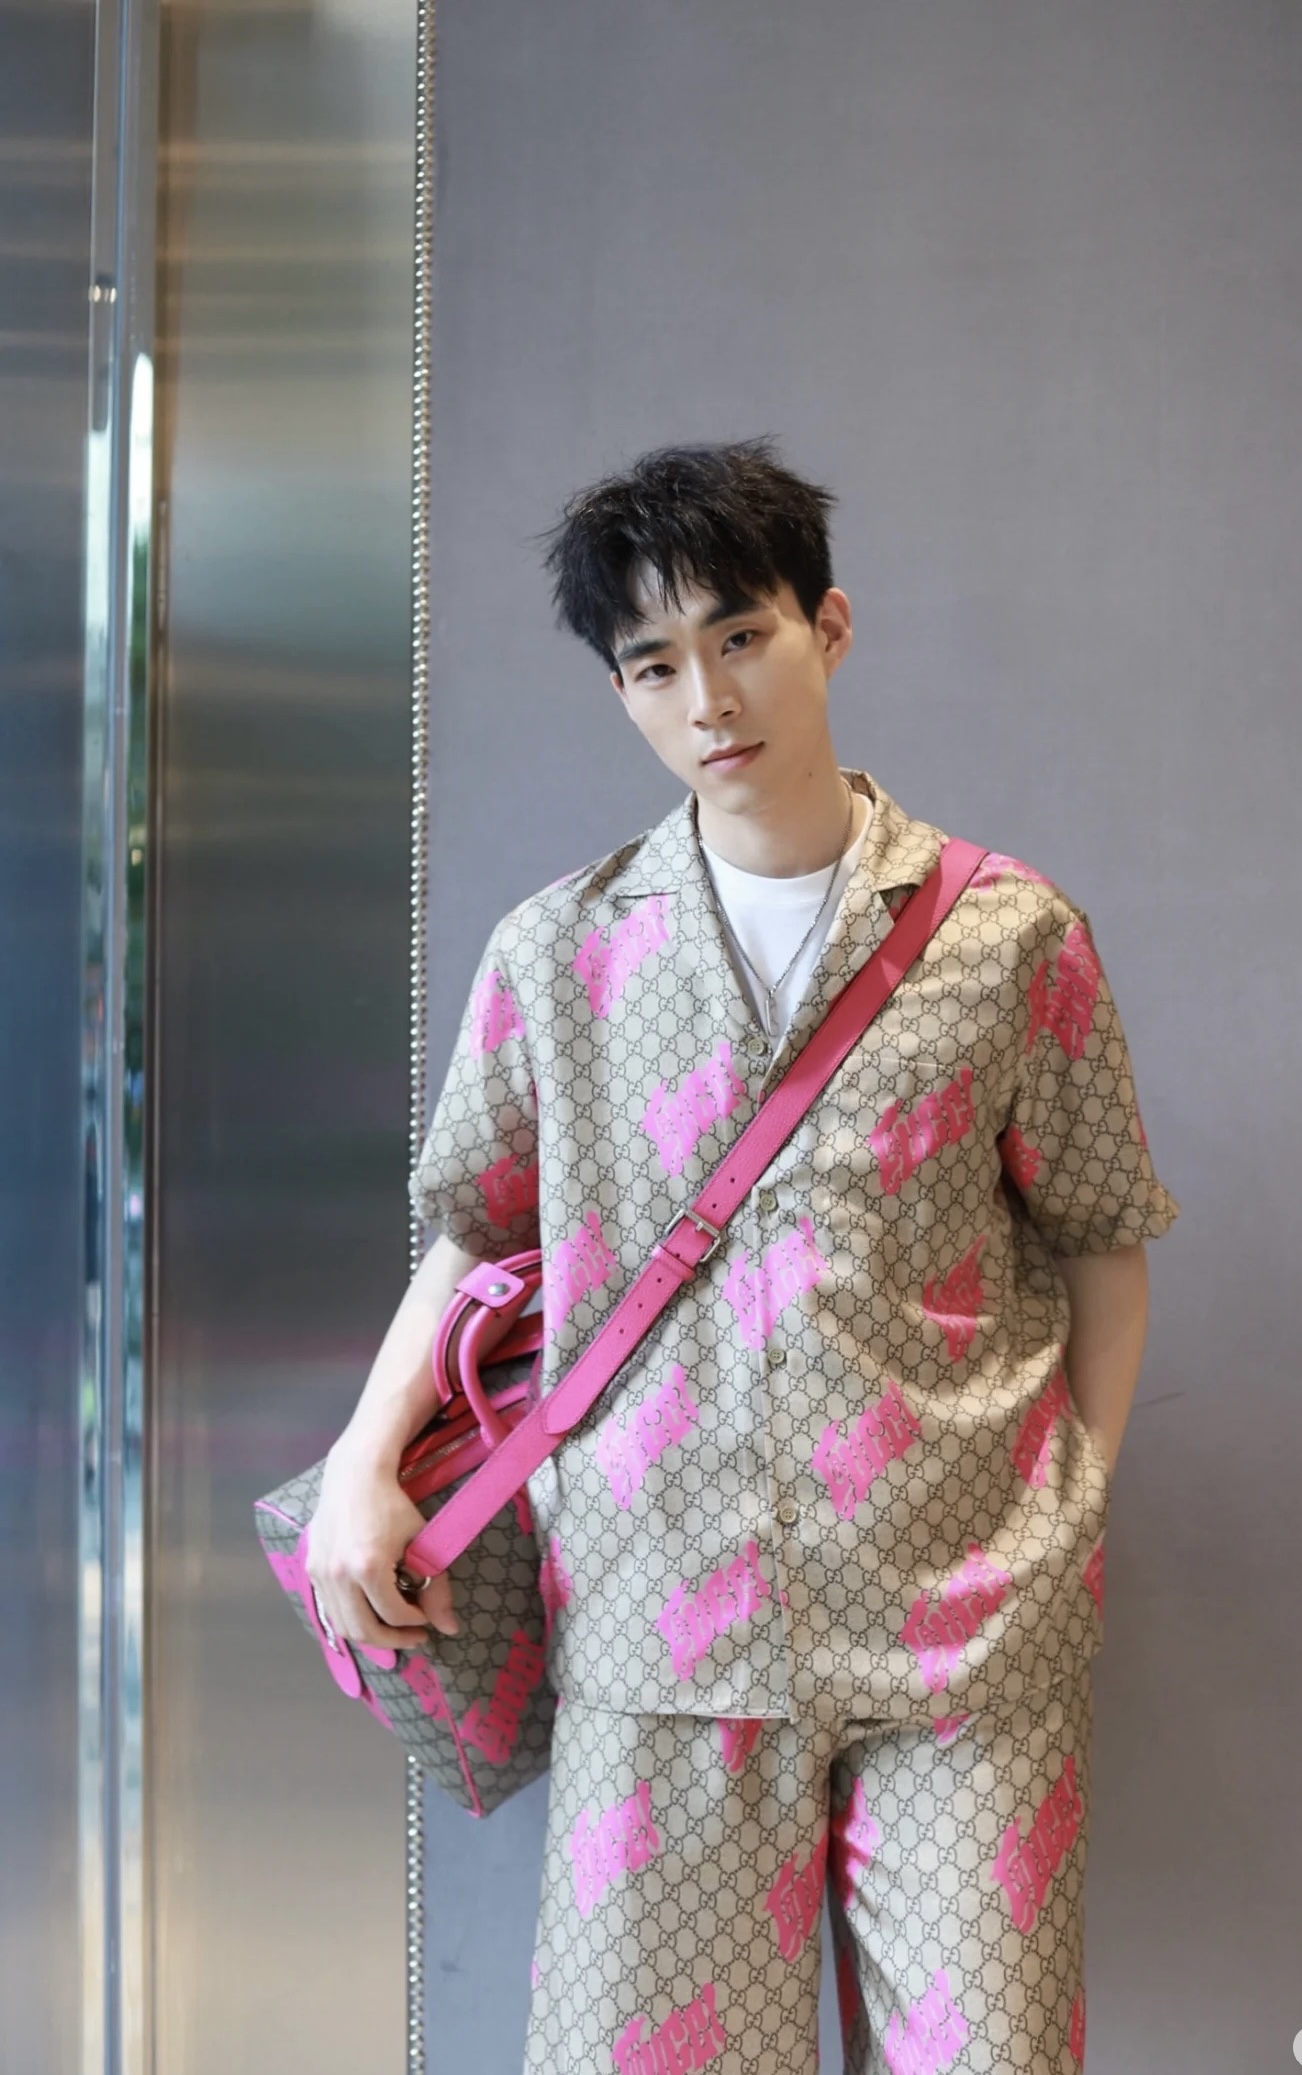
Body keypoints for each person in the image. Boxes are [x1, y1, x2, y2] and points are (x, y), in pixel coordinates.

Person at [307, 438, 1179, 2075]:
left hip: (961, 1638)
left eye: (740, 635)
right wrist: (364, 1461)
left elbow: (1099, 1246)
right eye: (653, 664)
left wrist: (1065, 1508)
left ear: (825, 630)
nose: (707, 696)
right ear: (620, 692)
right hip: (659, 1624)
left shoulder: (1008, 935)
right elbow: (476, 1233)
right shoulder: (560, 952)